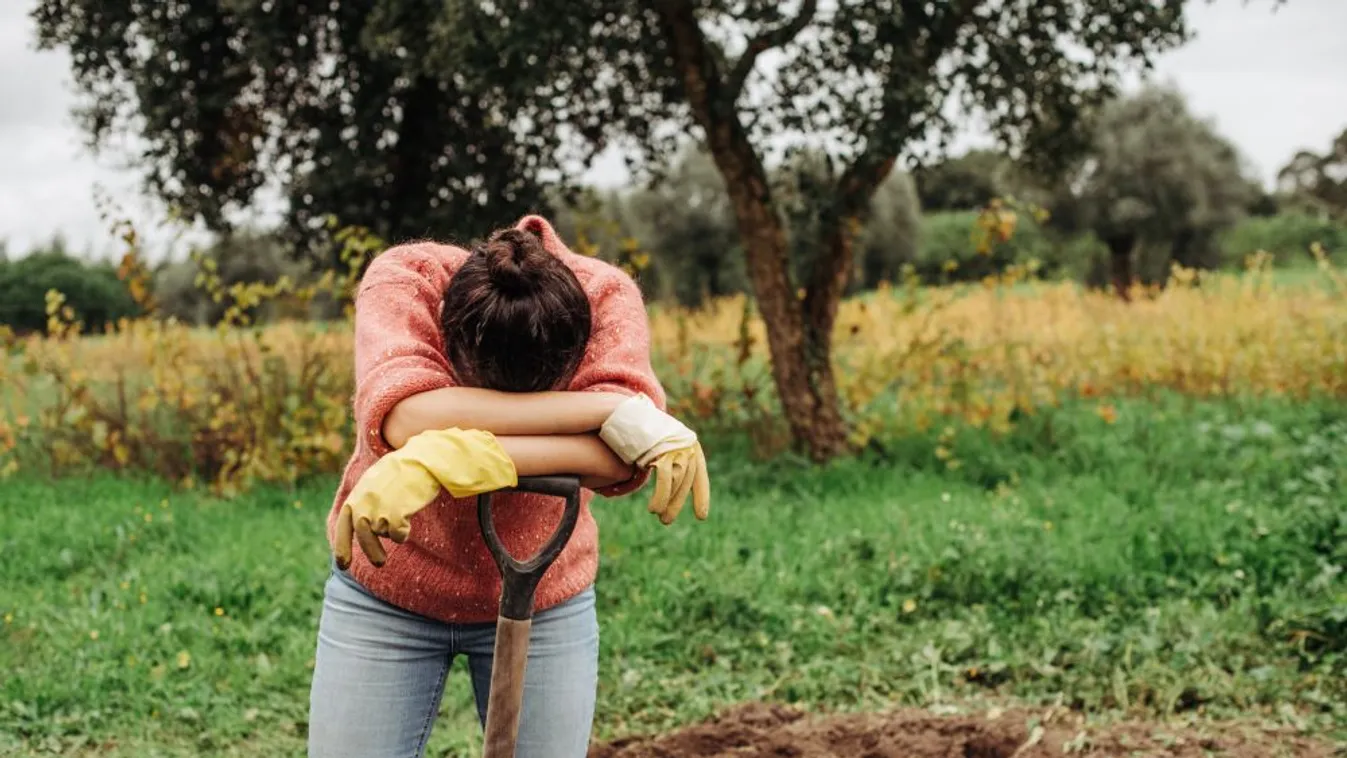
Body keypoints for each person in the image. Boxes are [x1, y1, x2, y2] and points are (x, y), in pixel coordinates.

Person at [307, 215, 709, 758]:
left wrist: (447, 450)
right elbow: (403, 417)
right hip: (387, 592)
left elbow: (619, 462)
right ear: (449, 333)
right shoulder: (407, 281)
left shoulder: (604, 299)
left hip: (545, 597)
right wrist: (606, 410)